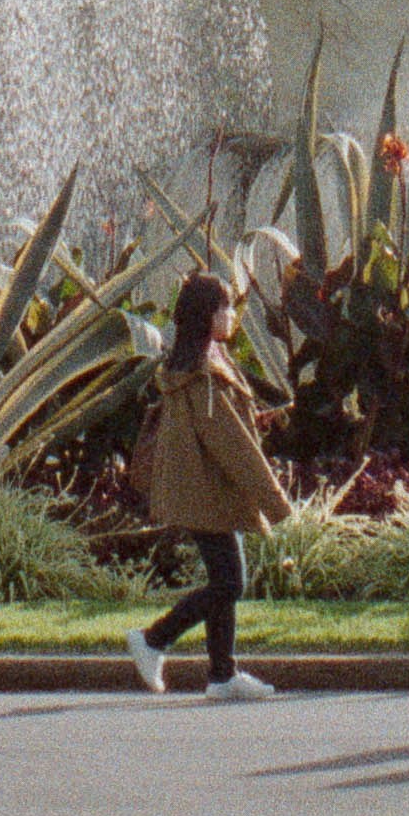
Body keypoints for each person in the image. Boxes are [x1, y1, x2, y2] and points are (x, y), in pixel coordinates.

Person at [121, 269, 291, 700]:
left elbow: (224, 431)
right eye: (226, 307)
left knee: (225, 577)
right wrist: (275, 501)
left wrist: (256, 421)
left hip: (206, 490)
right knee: (231, 582)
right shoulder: (203, 375)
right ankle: (154, 640)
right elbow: (231, 446)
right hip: (206, 493)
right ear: (207, 316)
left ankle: (221, 676)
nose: (232, 315)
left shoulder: (203, 364)